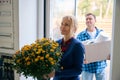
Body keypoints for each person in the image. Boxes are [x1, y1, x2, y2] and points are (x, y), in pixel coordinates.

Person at [47, 15, 85, 80]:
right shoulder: (56, 43)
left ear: (74, 29)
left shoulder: (78, 45)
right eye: (62, 24)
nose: (62, 27)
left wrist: (56, 73)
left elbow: (78, 70)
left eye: (66, 25)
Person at [77, 13, 109, 80]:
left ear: (95, 20)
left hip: (100, 65)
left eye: (90, 19)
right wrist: (81, 59)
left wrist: (109, 54)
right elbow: (77, 50)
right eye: (87, 19)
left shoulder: (102, 33)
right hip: (87, 66)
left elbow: (108, 46)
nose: (88, 20)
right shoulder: (80, 35)